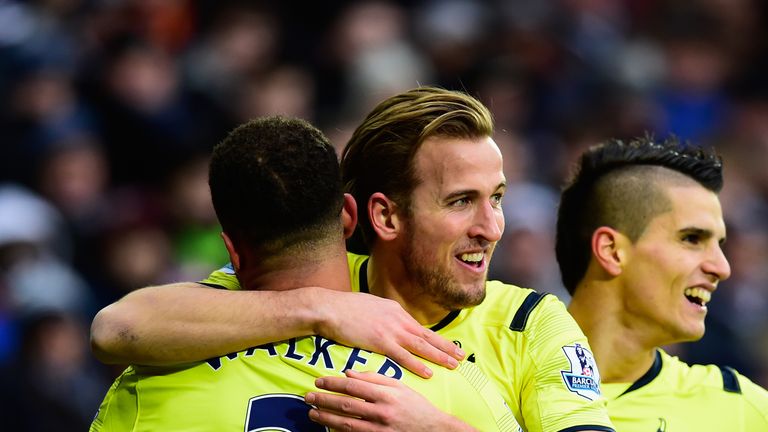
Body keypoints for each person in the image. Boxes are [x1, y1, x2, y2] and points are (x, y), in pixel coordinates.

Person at [91, 88, 615, 432]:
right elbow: (115, 328)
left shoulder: (530, 325)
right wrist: (318, 306)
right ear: (383, 217)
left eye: (496, 197)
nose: (492, 227)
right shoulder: (291, 283)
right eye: (461, 201)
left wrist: (438, 429)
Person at [556, 136, 768, 431]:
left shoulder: (740, 409)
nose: (722, 268)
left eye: (719, 244)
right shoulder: (486, 371)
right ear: (612, 251)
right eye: (692, 239)